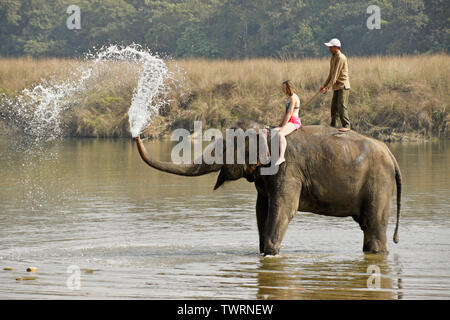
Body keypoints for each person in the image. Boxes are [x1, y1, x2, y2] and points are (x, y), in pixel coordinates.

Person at [319, 38, 351, 132]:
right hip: (336, 86)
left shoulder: (341, 57)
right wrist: (324, 85)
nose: (330, 49)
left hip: (343, 86)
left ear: (337, 48)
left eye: (331, 47)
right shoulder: (333, 58)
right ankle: (333, 125)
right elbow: (331, 74)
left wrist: (327, 88)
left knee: (341, 106)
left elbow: (336, 75)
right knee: (333, 107)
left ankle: (346, 125)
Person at [273, 80, 302, 166]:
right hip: (289, 121)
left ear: (289, 88)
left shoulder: (293, 97)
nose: (283, 90)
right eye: (282, 88)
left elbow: (289, 114)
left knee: (280, 134)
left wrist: (283, 127)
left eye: (284, 88)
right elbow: (285, 114)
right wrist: (280, 124)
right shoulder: (289, 98)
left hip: (294, 122)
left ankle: (282, 157)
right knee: (274, 130)